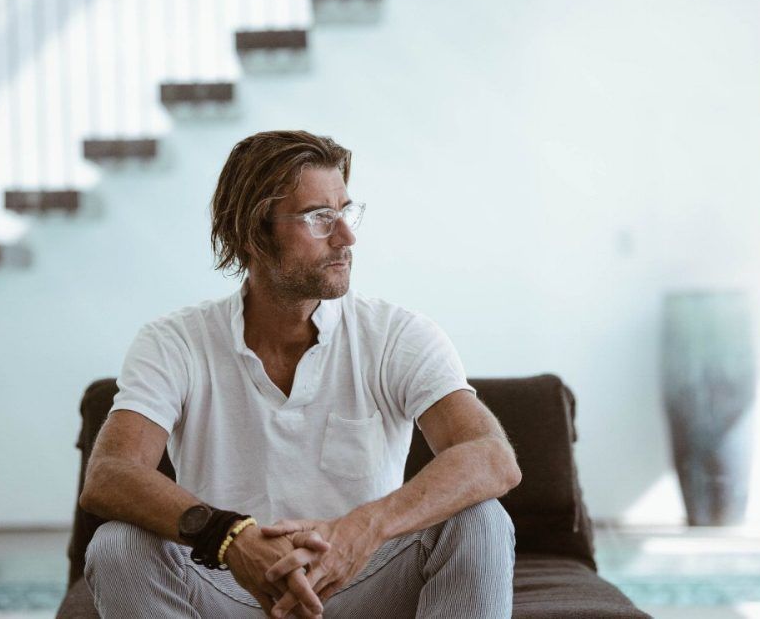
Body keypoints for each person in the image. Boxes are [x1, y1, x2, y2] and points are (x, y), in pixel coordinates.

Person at [81, 130, 522, 618]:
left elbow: (491, 457)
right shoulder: (176, 341)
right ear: (253, 233)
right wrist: (229, 538)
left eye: (346, 212)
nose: (346, 237)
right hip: (227, 592)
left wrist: (364, 528)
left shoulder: (397, 334)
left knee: (482, 520)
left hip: (361, 584)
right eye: (319, 218)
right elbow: (109, 474)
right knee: (117, 544)